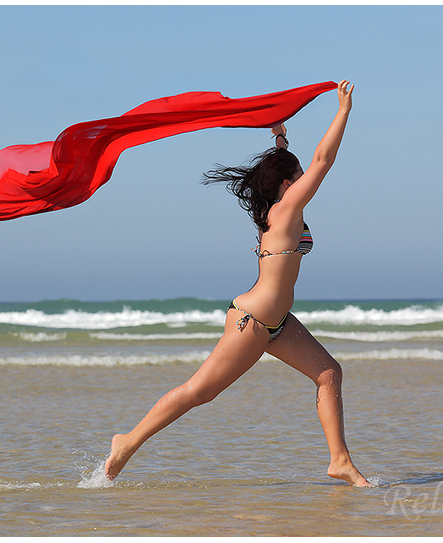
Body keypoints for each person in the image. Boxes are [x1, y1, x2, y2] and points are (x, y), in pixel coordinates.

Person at [105, 80, 369, 487]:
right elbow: (322, 159)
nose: (305, 182)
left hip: (278, 322)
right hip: (253, 321)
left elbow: (297, 164)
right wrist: (343, 111)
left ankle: (340, 461)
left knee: (329, 373)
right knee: (199, 391)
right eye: (297, 178)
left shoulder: (279, 208)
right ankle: (128, 441)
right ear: (288, 185)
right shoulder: (285, 212)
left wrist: (279, 137)